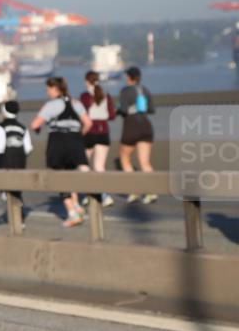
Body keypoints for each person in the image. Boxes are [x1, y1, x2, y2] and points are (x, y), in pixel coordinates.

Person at [31, 77, 93, 228]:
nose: (47, 92)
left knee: (59, 177)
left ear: (55, 89)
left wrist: (39, 127)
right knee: (71, 174)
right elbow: (88, 123)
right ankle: (77, 205)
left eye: (48, 89)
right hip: (75, 139)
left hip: (58, 141)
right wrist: (78, 136)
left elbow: (35, 124)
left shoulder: (51, 105)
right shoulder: (76, 103)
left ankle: (72, 213)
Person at [117, 66, 157, 204]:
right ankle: (151, 192)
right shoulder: (145, 90)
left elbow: (123, 110)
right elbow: (151, 109)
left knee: (125, 158)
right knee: (145, 163)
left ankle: (133, 191)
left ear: (129, 77)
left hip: (131, 126)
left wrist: (118, 111)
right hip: (146, 125)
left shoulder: (125, 91)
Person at [81, 71, 116, 208]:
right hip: (103, 132)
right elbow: (112, 116)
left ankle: (89, 193)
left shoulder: (85, 96)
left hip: (89, 132)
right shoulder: (106, 95)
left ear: (87, 81)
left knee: (83, 164)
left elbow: (82, 114)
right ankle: (104, 195)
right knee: (99, 167)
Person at [0, 100, 33, 213]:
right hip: (20, 161)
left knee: (3, 189)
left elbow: (0, 147)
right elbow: (28, 148)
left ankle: (15, 212)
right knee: (16, 188)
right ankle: (18, 212)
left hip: (4, 161)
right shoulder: (23, 127)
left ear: (4, 111)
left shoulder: (0, 127)